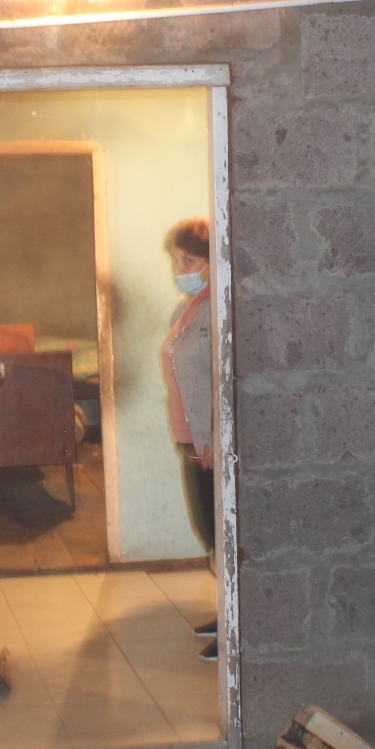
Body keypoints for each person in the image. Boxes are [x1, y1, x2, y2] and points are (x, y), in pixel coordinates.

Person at [161, 217, 217, 661]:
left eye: (189, 260)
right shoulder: (189, 307)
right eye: (176, 260)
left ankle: (239, 627)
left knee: (222, 532)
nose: (180, 269)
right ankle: (229, 611)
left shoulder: (219, 307)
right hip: (189, 437)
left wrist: (214, 438)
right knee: (209, 531)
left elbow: (222, 377)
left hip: (209, 441)